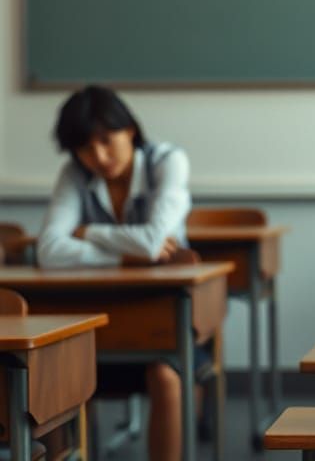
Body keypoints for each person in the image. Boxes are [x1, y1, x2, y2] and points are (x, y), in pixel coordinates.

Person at [36, 85, 193, 461]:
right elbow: (49, 250)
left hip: (164, 318)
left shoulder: (166, 161)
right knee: (56, 374)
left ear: (130, 131)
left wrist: (90, 233)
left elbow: (154, 242)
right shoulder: (74, 174)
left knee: (165, 375)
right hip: (94, 324)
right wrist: (126, 257)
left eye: (107, 140)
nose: (100, 156)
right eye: (86, 149)